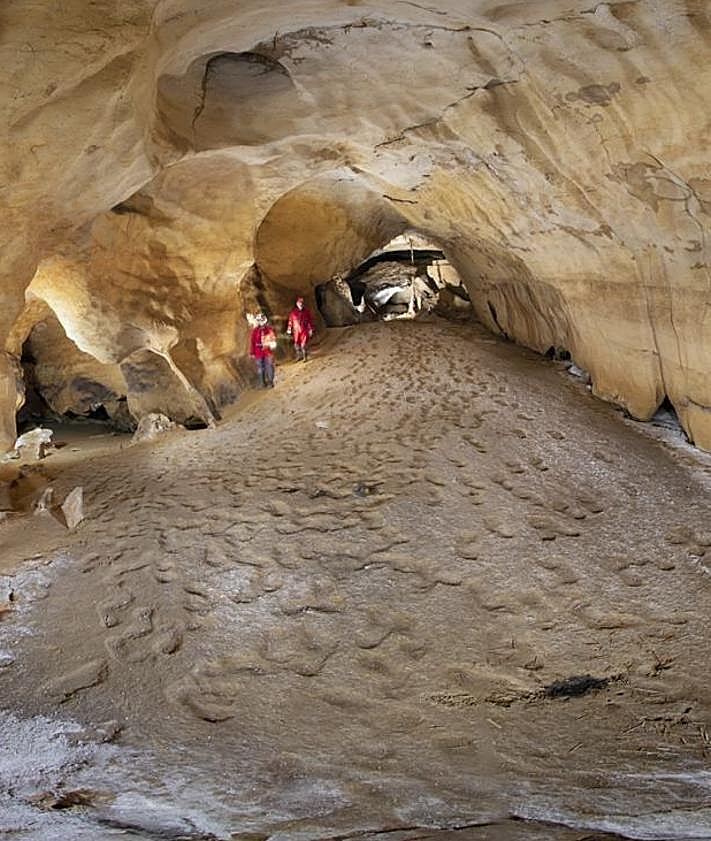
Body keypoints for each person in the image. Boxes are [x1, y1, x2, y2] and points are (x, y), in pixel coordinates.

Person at [249, 312, 277, 387]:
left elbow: (273, 339)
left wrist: (272, 344)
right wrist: (252, 352)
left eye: (262, 320)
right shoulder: (255, 331)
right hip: (258, 351)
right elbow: (252, 342)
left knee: (269, 366)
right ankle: (262, 382)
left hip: (267, 351)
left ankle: (270, 381)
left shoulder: (269, 330)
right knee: (260, 367)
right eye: (259, 321)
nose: (261, 322)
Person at [286, 296, 315, 362]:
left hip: (304, 330)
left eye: (301, 302)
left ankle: (305, 357)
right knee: (296, 344)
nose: (300, 304)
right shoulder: (293, 312)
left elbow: (310, 321)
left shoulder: (306, 311)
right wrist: (289, 329)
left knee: (303, 344)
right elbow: (290, 321)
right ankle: (299, 356)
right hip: (296, 330)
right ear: (297, 303)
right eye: (299, 302)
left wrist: (311, 329)